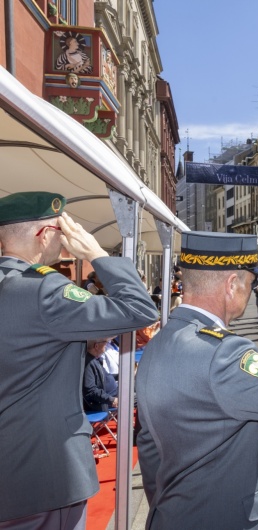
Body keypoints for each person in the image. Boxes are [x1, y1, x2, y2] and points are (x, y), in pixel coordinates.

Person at [136, 232, 258, 529]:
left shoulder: (160, 342)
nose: (253, 288)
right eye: (250, 282)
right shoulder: (224, 352)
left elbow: (149, 446)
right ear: (231, 285)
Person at [0, 192, 159, 528]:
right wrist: (96, 254)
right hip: (46, 472)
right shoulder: (43, 288)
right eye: (61, 230)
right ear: (44, 235)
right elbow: (140, 309)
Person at [83, 338, 119, 412]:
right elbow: (91, 391)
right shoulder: (88, 364)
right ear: (96, 346)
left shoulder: (94, 359)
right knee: (141, 395)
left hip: (115, 391)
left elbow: (105, 377)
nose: (106, 344)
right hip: (110, 397)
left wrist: (123, 376)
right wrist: (111, 399)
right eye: (105, 342)